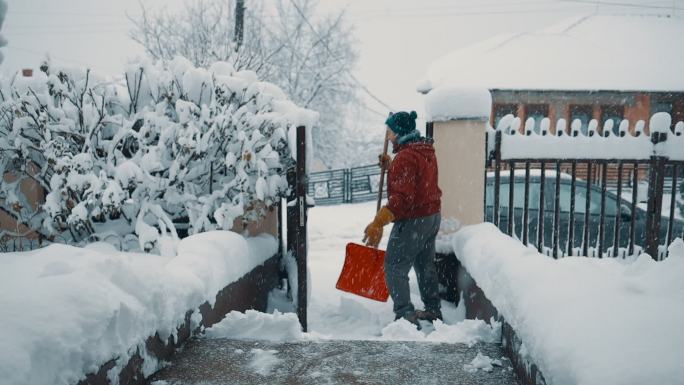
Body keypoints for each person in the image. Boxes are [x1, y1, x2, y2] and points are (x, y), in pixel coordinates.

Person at [363, 110, 443, 329]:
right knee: (425, 265)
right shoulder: (424, 149)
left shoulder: (406, 157)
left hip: (413, 220)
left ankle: (405, 316)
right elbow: (417, 179)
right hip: (432, 217)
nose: (388, 137)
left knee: (394, 267)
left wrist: (379, 221)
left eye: (390, 132)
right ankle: (433, 309)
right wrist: (391, 167)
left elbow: (403, 198)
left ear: (398, 132)